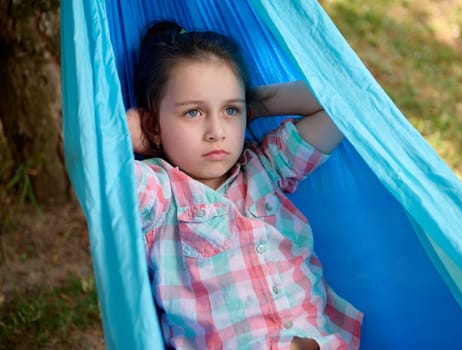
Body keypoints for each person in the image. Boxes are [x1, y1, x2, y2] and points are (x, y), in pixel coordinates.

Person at [127, 20, 363, 349]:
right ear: (153, 124)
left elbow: (345, 103)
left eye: (230, 111)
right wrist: (132, 131)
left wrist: (254, 103)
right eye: (193, 112)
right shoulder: (158, 192)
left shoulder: (267, 167)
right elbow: (97, 165)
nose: (217, 131)